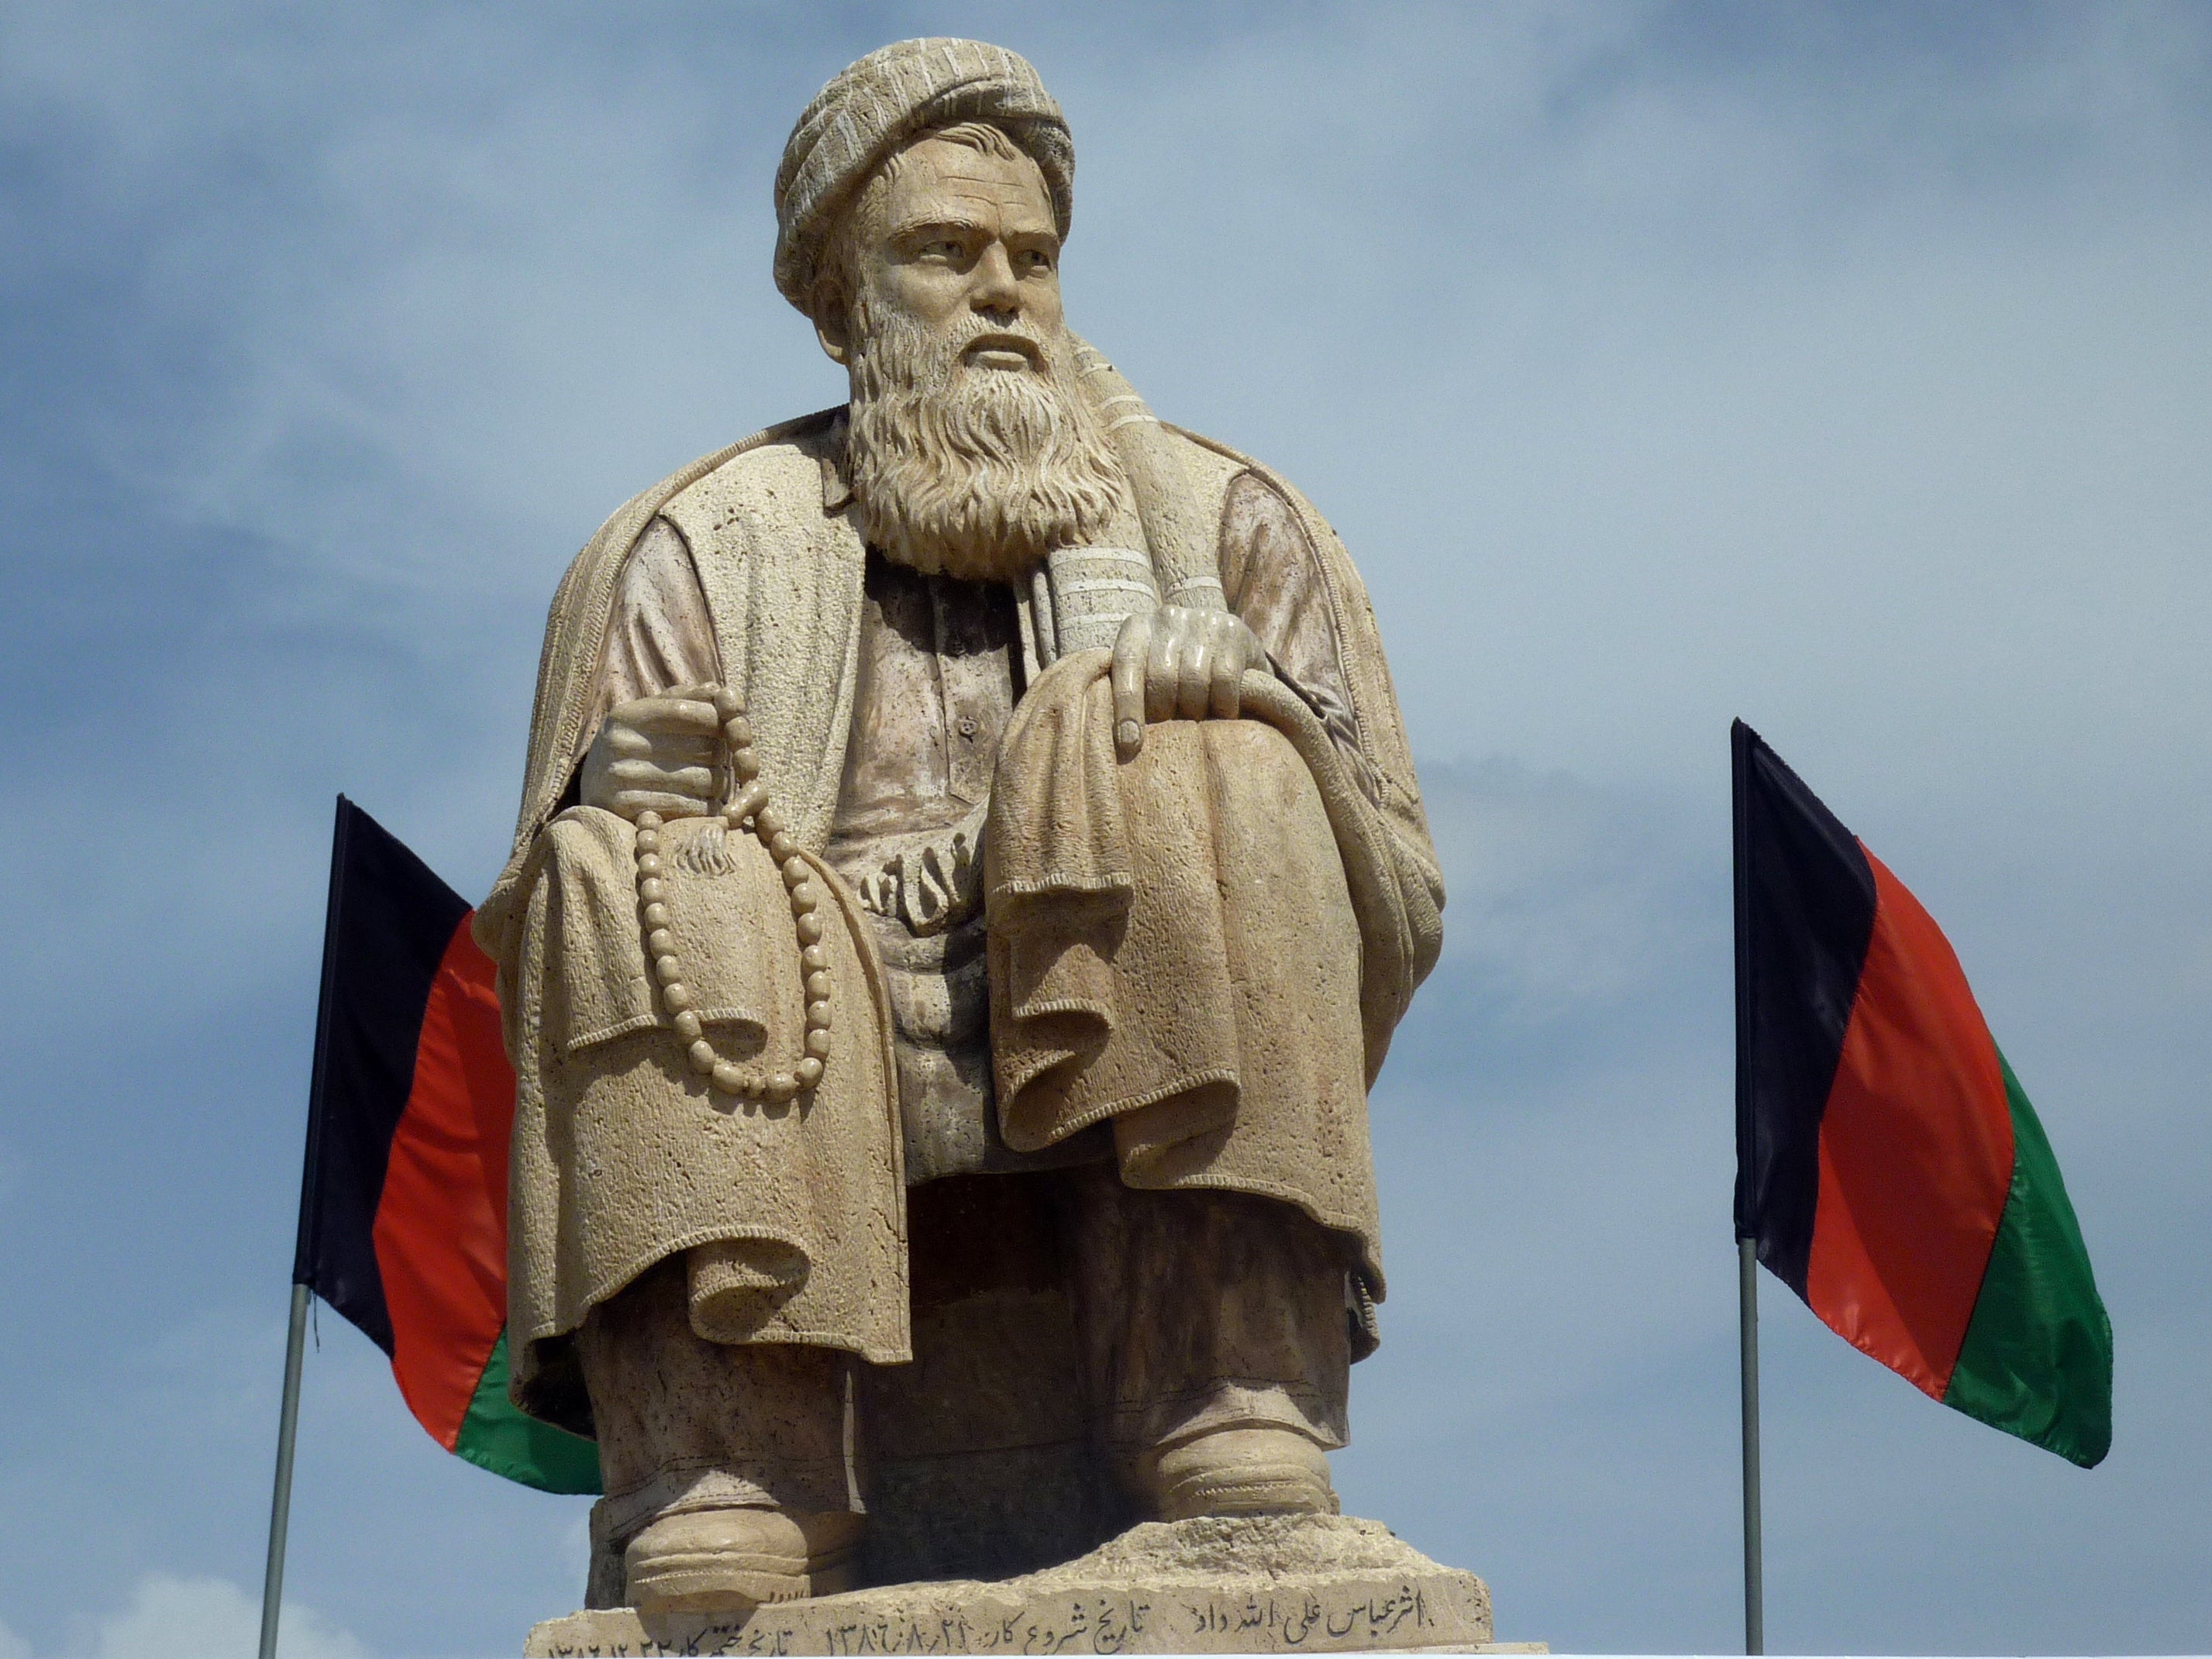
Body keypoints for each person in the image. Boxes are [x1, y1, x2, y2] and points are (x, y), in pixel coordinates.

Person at [474, 38, 1444, 1616]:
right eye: (943, 253)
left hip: (1130, 951)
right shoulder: (688, 547)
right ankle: (737, 1472)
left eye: (1032, 259)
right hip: (799, 984)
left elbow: (1390, 882)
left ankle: (1225, 1411)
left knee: (1206, 760)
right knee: (631, 870)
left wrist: (1243, 707)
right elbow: (537, 935)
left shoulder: (1221, 522)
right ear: (841, 295)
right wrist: (619, 791)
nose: (1001, 294)